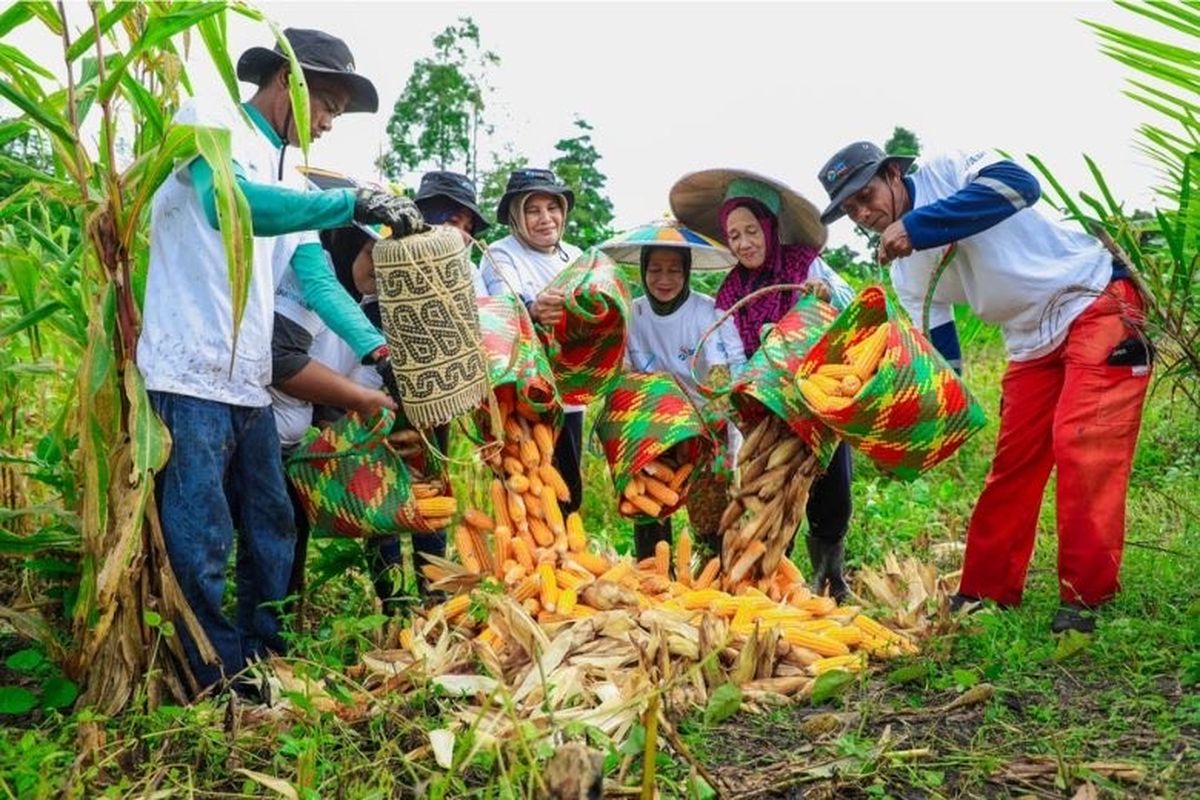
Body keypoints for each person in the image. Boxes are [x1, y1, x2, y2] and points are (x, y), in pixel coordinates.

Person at [138, 27, 426, 694]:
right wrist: (348, 200)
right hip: (186, 376)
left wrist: (377, 350)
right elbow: (226, 206)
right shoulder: (208, 124)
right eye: (324, 102)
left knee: (271, 526)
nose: (327, 121)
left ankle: (262, 658)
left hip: (245, 386)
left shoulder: (288, 176)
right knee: (202, 535)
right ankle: (209, 674)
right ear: (282, 82)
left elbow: (318, 280)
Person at [816, 141, 1151, 633]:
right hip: (1029, 340)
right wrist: (913, 417)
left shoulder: (950, 168)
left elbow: (1020, 187)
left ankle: (1085, 594)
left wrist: (917, 226)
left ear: (892, 173)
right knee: (1013, 461)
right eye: (851, 210)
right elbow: (942, 357)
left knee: (1082, 442)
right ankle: (987, 589)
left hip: (1094, 297)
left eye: (867, 196)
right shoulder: (906, 268)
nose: (865, 214)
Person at [671, 170, 856, 599]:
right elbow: (733, 357)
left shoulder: (804, 264)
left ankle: (833, 577)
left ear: (770, 228)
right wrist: (753, 398)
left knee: (832, 488)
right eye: (734, 235)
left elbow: (846, 305)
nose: (743, 242)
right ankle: (773, 576)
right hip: (768, 405)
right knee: (770, 489)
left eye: (751, 231)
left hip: (819, 396)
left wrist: (822, 294)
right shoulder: (732, 290)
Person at [623, 243, 746, 559]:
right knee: (650, 502)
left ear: (687, 272)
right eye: (655, 270)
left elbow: (719, 376)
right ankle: (652, 571)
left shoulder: (706, 312)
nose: (664, 279)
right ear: (643, 271)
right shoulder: (631, 312)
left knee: (711, 513)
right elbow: (623, 372)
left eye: (674, 270)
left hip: (704, 419)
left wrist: (723, 443)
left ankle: (713, 573)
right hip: (653, 419)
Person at [478, 168, 586, 514]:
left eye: (552, 207)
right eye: (532, 209)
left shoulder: (576, 255)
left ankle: (564, 562)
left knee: (565, 490)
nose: (545, 219)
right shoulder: (501, 253)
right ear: (515, 214)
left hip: (568, 391)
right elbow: (505, 299)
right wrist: (533, 308)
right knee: (521, 485)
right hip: (520, 392)